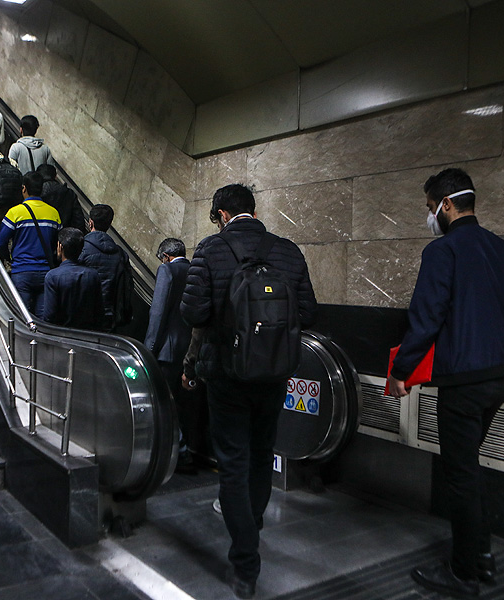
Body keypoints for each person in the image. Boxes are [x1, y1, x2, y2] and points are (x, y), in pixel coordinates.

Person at [388, 168, 504, 598]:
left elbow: (426, 317)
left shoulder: (443, 252)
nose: (431, 217)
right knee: (468, 468)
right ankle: (483, 556)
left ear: (447, 204)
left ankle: (464, 572)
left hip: (464, 382)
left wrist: (401, 372)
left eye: (431, 209)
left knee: (459, 474)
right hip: (501, 376)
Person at [180, 184, 317, 599]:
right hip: (275, 375)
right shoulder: (288, 251)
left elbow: (193, 311)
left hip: (227, 376)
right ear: (252, 212)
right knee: (261, 454)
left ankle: (245, 561)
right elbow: (308, 312)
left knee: (233, 462)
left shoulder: (210, 250)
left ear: (221, 214)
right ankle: (250, 523)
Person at [144, 238, 195, 474]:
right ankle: (186, 449)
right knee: (183, 403)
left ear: (165, 256)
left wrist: (149, 348)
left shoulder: (167, 270)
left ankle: (176, 452)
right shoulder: (195, 270)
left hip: (167, 350)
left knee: (164, 402)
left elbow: (158, 312)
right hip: (190, 348)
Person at [0, 172, 61, 317]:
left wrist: (10, 258)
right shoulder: (53, 213)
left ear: (24, 188)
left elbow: (0, 242)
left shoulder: (15, 213)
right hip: (46, 272)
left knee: (22, 317)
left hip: (22, 271)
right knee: (43, 320)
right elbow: (59, 243)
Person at [77, 204, 128, 332]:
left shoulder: (80, 248)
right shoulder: (120, 254)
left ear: (90, 222)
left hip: (81, 311)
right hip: (108, 314)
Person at [41, 228, 104, 329]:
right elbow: (99, 311)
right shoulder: (93, 275)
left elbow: (49, 315)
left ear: (60, 247)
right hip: (87, 335)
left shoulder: (52, 276)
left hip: (62, 335)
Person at [38, 164, 85, 231]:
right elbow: (78, 219)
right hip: (63, 235)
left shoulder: (36, 193)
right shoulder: (69, 193)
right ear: (55, 176)